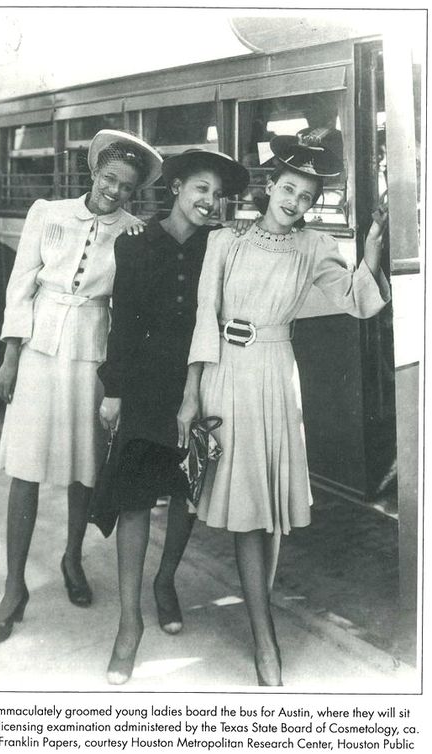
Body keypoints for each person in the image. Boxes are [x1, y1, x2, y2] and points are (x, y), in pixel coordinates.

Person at [177, 135, 390, 686]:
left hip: (276, 374)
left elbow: (357, 300)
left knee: (269, 507)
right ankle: (263, 632)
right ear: (271, 187)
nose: (294, 202)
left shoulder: (316, 246)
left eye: (306, 196)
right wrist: (192, 392)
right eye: (288, 189)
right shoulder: (224, 241)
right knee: (248, 509)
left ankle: (258, 618)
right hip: (226, 373)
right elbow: (204, 317)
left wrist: (370, 250)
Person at [0, 130, 163, 645]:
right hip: (40, 350)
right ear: (93, 173)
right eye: (109, 179)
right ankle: (14, 588)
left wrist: (120, 382)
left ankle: (72, 559)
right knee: (26, 468)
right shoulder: (48, 212)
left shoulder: (134, 233)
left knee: (85, 469)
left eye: (126, 187)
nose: (114, 192)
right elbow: (22, 283)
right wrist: (10, 355)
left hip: (93, 356)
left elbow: (128, 309)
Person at [98, 149, 250, 684]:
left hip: (202, 383)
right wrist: (113, 390)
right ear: (178, 186)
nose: (210, 202)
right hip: (144, 386)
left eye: (218, 195)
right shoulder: (134, 244)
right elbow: (120, 324)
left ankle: (166, 581)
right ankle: (128, 625)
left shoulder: (221, 246)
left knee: (188, 491)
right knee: (136, 499)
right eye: (201, 189)